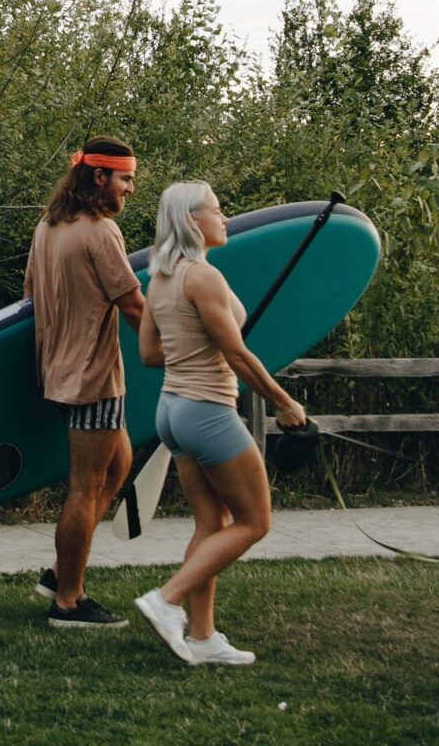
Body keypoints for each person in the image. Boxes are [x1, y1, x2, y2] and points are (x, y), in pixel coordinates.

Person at [130, 180, 307, 666]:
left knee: (212, 523)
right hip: (206, 410)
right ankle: (166, 601)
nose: (224, 218)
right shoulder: (202, 278)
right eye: (216, 210)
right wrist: (284, 402)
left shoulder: (160, 276)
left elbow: (148, 353)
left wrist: (190, 346)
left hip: (172, 411)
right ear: (192, 221)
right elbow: (237, 354)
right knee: (254, 523)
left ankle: (203, 638)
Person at [23, 136, 145, 628]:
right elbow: (133, 303)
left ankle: (59, 571)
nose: (130, 189)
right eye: (126, 178)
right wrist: (178, 350)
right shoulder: (101, 232)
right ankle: (68, 600)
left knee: (120, 462)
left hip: (56, 371)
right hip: (93, 377)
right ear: (99, 177)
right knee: (85, 487)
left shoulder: (48, 227)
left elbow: (29, 294)